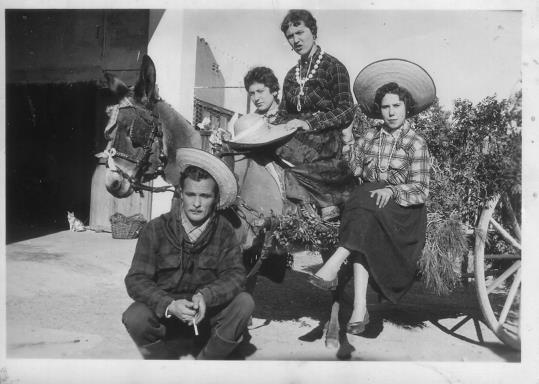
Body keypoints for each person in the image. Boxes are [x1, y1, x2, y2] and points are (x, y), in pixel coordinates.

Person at [308, 59, 435, 335]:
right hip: (368, 209)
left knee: (365, 196)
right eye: (386, 107)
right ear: (379, 110)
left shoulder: (416, 143)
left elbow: (421, 190)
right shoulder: (370, 136)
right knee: (364, 200)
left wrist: (392, 189)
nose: (390, 112)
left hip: (403, 212)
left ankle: (333, 263)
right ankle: (358, 308)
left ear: (407, 107)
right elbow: (354, 169)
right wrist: (347, 139)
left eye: (396, 106)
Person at [121, 148, 254, 360]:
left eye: (205, 196)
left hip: (206, 314)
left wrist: (205, 297)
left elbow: (236, 275)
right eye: (191, 194)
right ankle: (164, 367)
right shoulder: (155, 228)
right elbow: (136, 279)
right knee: (135, 317)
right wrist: (169, 305)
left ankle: (205, 364)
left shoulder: (225, 229)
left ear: (215, 198)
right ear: (181, 194)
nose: (197, 203)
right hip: (167, 314)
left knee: (244, 302)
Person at [273, 9, 357, 220]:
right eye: (290, 36)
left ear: (313, 32)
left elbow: (347, 109)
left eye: (300, 32)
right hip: (295, 136)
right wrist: (272, 127)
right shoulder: (291, 75)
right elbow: (283, 112)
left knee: (284, 158)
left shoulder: (333, 67)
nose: (296, 40)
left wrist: (309, 124)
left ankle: (322, 203)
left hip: (325, 136)